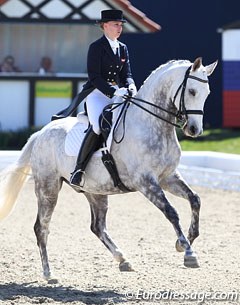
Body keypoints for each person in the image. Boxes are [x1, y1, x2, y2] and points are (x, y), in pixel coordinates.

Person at [52, 9, 137, 187]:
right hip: (97, 93)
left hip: (119, 93)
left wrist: (130, 85)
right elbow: (94, 77)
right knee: (98, 125)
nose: (119, 28)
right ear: (104, 26)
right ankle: (79, 169)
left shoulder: (123, 48)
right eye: (116, 24)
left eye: (120, 25)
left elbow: (126, 73)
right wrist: (113, 92)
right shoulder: (96, 47)